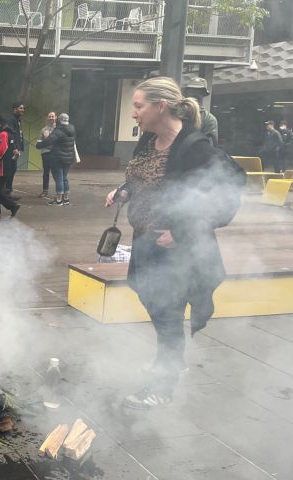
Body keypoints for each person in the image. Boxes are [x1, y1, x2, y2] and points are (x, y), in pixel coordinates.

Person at [105, 76, 235, 410]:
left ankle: (163, 383)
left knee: (167, 316)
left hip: (176, 251)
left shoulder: (195, 147)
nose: (134, 113)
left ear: (160, 106)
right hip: (146, 240)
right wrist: (124, 192)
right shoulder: (148, 141)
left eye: (138, 106)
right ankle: (170, 357)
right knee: (151, 301)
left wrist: (181, 231)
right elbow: (139, 179)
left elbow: (225, 200)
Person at [37, 113, 76, 206]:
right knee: (64, 178)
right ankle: (66, 199)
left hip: (58, 158)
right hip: (69, 158)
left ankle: (58, 200)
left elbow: (49, 141)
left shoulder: (58, 130)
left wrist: (39, 144)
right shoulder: (72, 128)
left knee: (59, 178)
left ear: (59, 119)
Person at [183, 77, 218, 145]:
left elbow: (210, 148)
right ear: (186, 93)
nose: (194, 93)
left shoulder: (208, 119)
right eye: (192, 90)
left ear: (204, 94)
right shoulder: (176, 113)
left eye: (199, 91)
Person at [4, 101, 25, 197]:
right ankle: (6, 190)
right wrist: (14, 148)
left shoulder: (18, 120)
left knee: (12, 169)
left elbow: (18, 134)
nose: (22, 110)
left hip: (16, 149)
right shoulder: (11, 120)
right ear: (15, 109)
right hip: (11, 150)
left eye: (23, 108)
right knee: (9, 169)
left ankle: (8, 189)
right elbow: (10, 135)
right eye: (20, 108)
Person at [37, 111, 56, 198]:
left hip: (56, 154)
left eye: (53, 116)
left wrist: (48, 139)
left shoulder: (59, 129)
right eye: (49, 116)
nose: (51, 118)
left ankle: (59, 192)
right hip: (46, 154)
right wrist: (46, 140)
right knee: (46, 173)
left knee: (57, 173)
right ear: (47, 118)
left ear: (56, 117)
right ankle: (45, 191)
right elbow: (38, 145)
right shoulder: (43, 130)